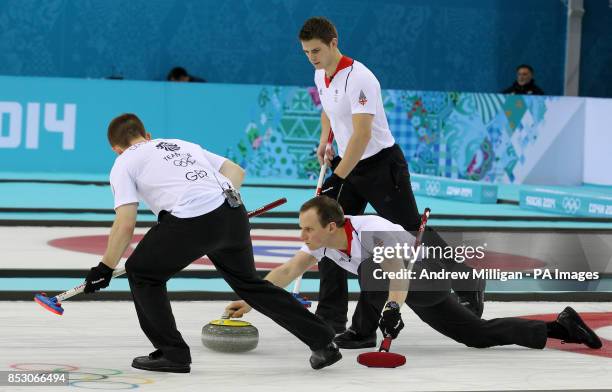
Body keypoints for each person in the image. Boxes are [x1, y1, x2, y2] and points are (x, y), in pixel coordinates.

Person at [83, 114, 340, 373]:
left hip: (192, 219)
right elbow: (235, 172)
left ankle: (173, 354)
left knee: (142, 273)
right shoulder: (180, 144)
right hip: (233, 211)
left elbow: (125, 224)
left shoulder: (123, 162)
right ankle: (323, 341)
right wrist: (218, 213)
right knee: (250, 285)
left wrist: (105, 267)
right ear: (147, 134)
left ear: (116, 150)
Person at [298, 16, 484, 344]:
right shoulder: (320, 74)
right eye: (306, 52)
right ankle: (331, 317)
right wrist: (325, 140)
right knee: (330, 235)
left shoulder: (360, 78)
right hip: (348, 164)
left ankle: (467, 280)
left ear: (333, 43)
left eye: (316, 50)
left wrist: (337, 179)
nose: (312, 57)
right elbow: (328, 109)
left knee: (412, 233)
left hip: (381, 167)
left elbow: (362, 133)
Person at [225, 197, 603, 353]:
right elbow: (288, 269)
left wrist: (392, 308)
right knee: (476, 336)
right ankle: (560, 327)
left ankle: (361, 330)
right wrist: (251, 297)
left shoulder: (374, 231)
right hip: (400, 282)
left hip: (420, 275)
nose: (302, 236)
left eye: (307, 229)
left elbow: (396, 275)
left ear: (332, 225)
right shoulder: (323, 243)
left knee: (373, 268)